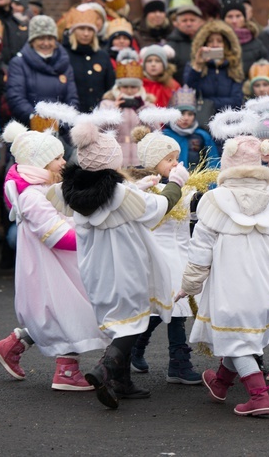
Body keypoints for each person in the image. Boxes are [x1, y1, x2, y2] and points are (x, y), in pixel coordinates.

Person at [62, 112, 190, 409]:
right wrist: (176, 183)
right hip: (126, 267)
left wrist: (137, 188)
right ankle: (105, 370)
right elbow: (159, 207)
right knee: (132, 322)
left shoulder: (76, 192)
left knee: (116, 321)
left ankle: (122, 381)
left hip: (96, 268)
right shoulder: (118, 192)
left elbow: (122, 201)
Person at [174, 135, 269, 417]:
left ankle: (258, 396)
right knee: (240, 335)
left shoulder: (216, 201)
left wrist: (189, 285)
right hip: (264, 282)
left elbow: (201, 246)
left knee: (237, 337)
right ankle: (220, 383)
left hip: (232, 283)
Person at [0, 121, 104, 390]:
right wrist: (92, 237)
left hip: (57, 265)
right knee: (67, 312)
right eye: (57, 158)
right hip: (50, 267)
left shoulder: (43, 189)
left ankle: (12, 345)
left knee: (60, 312)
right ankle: (66, 373)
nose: (64, 162)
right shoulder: (32, 196)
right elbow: (55, 235)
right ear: (40, 162)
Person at [128, 119, 206, 386]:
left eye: (176, 158)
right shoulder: (148, 189)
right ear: (152, 164)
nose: (175, 163)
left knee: (175, 307)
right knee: (168, 307)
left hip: (182, 253)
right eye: (168, 159)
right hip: (159, 256)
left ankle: (144, 349)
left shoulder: (184, 187)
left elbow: (194, 215)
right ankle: (176, 360)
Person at [6, 15, 79, 126]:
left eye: (50, 38)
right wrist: (37, 119)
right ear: (32, 41)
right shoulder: (18, 63)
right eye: (40, 38)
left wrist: (65, 120)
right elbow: (16, 98)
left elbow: (71, 97)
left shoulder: (64, 64)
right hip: (30, 128)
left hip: (61, 128)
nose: (46, 43)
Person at [100, 48, 155, 165]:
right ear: (119, 87)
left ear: (139, 87)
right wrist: (114, 111)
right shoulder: (107, 103)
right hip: (115, 157)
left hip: (140, 158)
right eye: (125, 86)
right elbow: (100, 130)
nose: (129, 90)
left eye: (133, 86)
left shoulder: (147, 104)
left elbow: (155, 130)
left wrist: (141, 109)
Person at [185, 19, 244, 114]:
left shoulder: (234, 67)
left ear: (226, 45)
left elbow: (236, 101)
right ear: (204, 44)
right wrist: (197, 66)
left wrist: (207, 103)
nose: (215, 45)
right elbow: (190, 93)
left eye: (219, 41)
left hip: (228, 119)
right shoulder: (194, 66)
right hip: (202, 120)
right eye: (210, 41)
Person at [63, 6, 115, 113]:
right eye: (82, 29)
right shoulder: (64, 54)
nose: (86, 34)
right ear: (73, 31)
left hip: (99, 115)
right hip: (72, 114)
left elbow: (110, 86)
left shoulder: (102, 56)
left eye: (90, 29)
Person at [163, 86, 219, 169]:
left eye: (190, 114)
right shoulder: (165, 136)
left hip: (195, 179)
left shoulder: (202, 136)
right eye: (182, 113)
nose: (186, 118)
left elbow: (213, 161)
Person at [221, 0, 267, 77]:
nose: (234, 21)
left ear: (244, 18)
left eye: (238, 16)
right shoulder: (216, 41)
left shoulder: (257, 45)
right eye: (230, 17)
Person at [166, 3, 204, 85]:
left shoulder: (208, 42)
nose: (189, 24)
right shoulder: (170, 46)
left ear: (200, 22)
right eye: (184, 20)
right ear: (177, 23)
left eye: (192, 20)